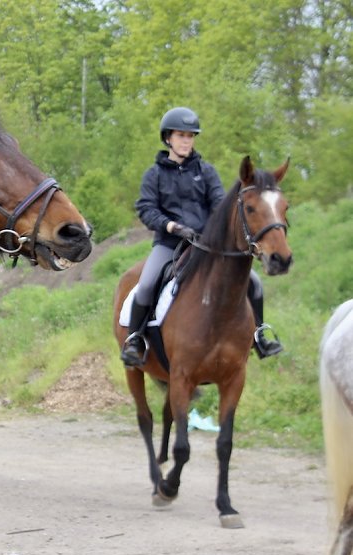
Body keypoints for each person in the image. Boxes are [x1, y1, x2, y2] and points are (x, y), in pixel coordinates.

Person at [120, 107, 284, 367]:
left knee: (253, 281)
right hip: (169, 243)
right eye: (181, 135)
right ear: (168, 139)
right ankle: (136, 340)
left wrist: (211, 232)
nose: (186, 141)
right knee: (148, 284)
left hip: (206, 245)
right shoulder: (155, 174)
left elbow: (220, 205)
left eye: (190, 136)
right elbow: (146, 209)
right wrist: (172, 226)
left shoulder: (206, 171)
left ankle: (259, 333)